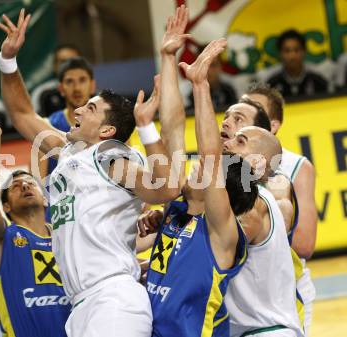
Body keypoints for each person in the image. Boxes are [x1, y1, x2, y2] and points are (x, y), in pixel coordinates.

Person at [0, 9, 180, 337]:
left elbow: (164, 190)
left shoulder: (111, 158)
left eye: (91, 108)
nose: (78, 109)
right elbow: (21, 112)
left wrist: (146, 128)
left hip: (112, 298)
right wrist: (8, 59)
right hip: (81, 305)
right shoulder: (66, 151)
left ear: (108, 130)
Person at [141, 9, 256, 336]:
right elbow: (173, 128)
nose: (195, 170)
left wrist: (201, 85)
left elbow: (210, 156)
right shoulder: (174, 209)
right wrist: (167, 56)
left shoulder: (222, 231)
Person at [0, 96, 70, 337]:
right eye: (16, 186)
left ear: (46, 198)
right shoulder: (2, 239)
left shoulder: (68, 235)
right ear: (6, 207)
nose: (25, 186)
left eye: (30, 183)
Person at [241, 83, 317, 336]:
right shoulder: (225, 161)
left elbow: (305, 244)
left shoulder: (294, 166)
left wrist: (263, 221)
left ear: (271, 125)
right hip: (240, 291)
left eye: (254, 109)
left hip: (280, 292)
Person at [267, 29, 328, 99]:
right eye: (287, 51)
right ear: (280, 54)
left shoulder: (318, 81)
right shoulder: (271, 85)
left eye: (296, 50)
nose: (292, 56)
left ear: (304, 52)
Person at [31, 44, 81, 116]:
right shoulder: (42, 94)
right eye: (63, 62)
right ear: (55, 65)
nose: (69, 66)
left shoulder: (93, 93)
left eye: (73, 62)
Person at [188, 47, 237, 112]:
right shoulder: (186, 91)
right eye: (203, 66)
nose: (208, 71)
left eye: (213, 65)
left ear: (220, 66)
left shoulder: (230, 88)